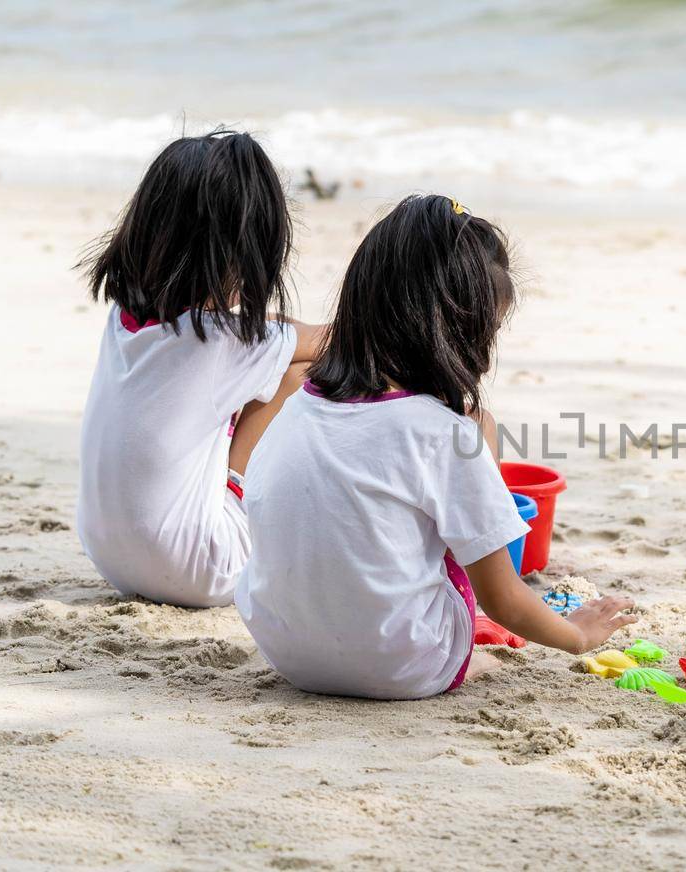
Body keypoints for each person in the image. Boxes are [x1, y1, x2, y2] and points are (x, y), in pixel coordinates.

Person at [236, 195, 636, 699]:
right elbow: (503, 599)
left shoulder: (297, 403)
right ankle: (466, 655)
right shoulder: (444, 432)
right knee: (478, 427)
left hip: (287, 652)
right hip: (399, 666)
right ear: (460, 333)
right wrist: (577, 635)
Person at [75, 131, 322, 608]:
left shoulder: (125, 321)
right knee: (304, 372)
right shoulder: (227, 343)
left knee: (273, 358)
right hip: (203, 568)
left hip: (110, 557)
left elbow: (253, 333)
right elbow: (330, 340)